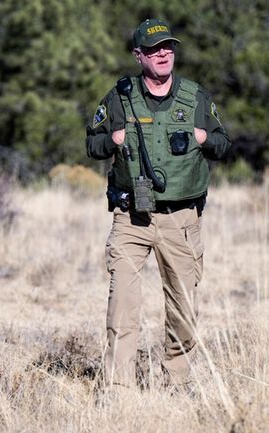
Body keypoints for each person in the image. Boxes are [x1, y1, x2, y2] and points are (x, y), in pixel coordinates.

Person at [85, 18, 231, 390]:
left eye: (168, 47)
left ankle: (177, 385)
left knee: (183, 309)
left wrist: (203, 137)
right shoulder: (119, 97)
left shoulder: (195, 96)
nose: (163, 53)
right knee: (122, 306)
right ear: (139, 56)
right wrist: (113, 140)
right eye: (153, 49)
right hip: (130, 217)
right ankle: (118, 390)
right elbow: (92, 144)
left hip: (181, 219)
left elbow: (223, 144)